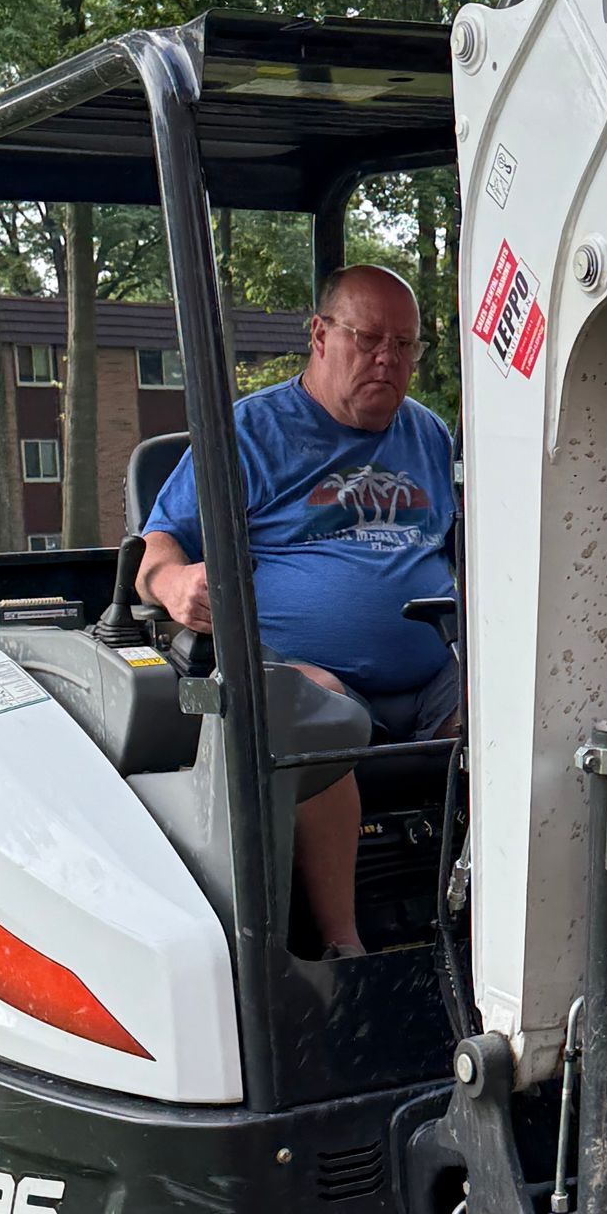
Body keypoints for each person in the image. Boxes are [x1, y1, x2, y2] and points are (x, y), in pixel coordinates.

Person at [139, 263, 458, 958]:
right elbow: (157, 553)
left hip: (438, 673)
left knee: (532, 713)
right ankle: (345, 950)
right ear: (319, 334)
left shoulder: (429, 435)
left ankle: (485, 926)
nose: (388, 359)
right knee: (320, 711)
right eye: (369, 338)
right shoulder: (247, 434)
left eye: (405, 345)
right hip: (304, 672)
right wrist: (174, 585)